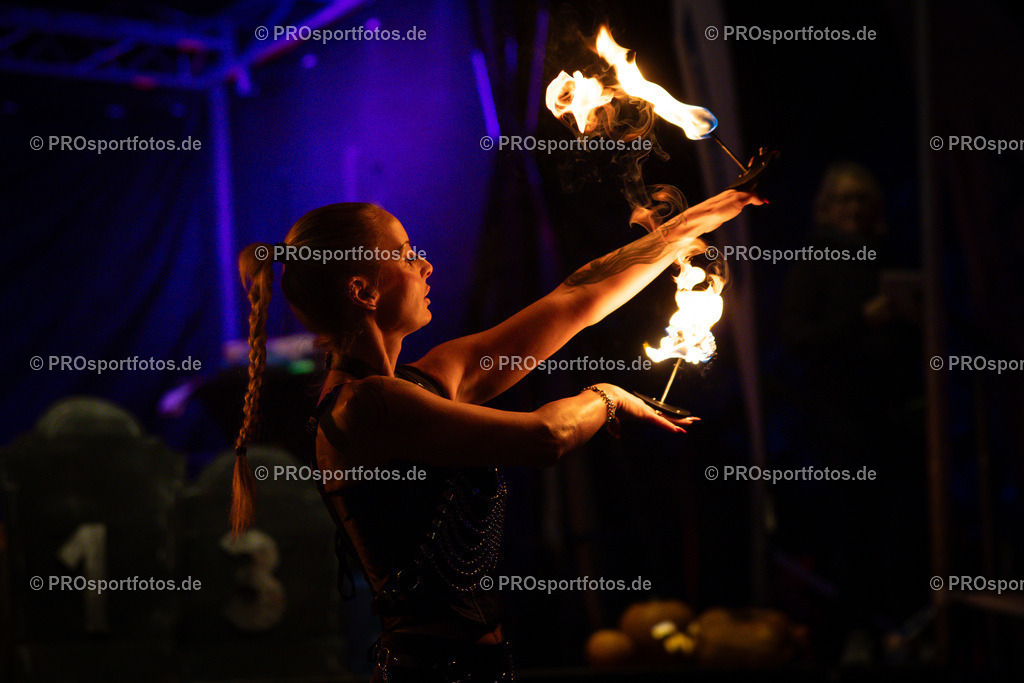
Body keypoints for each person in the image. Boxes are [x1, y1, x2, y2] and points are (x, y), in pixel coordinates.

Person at [231, 191, 762, 681]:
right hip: (436, 673)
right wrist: (606, 396)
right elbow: (546, 438)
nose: (425, 264)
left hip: (472, 665)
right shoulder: (367, 406)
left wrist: (689, 225)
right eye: (405, 253)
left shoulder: (421, 382)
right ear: (362, 290)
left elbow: (574, 299)